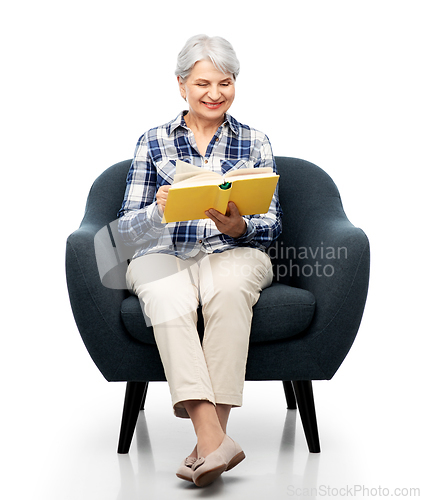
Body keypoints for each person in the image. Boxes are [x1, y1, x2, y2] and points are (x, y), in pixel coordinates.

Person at [117, 34, 282, 487]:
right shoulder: (152, 142)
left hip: (235, 253)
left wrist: (241, 228)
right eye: (203, 83)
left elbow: (274, 224)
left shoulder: (255, 140)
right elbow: (124, 233)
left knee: (228, 290)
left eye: (225, 83)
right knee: (166, 292)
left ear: (235, 85)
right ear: (181, 85)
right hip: (163, 254)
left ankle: (208, 443)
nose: (215, 93)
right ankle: (215, 441)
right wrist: (157, 209)